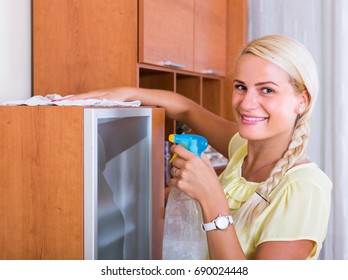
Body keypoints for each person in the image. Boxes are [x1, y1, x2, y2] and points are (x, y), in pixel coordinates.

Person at [67, 35, 332, 260]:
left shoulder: (305, 188)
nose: (246, 103)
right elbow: (187, 109)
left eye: (267, 90)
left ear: (302, 101)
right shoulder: (243, 148)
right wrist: (122, 94)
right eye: (241, 87)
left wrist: (211, 198)